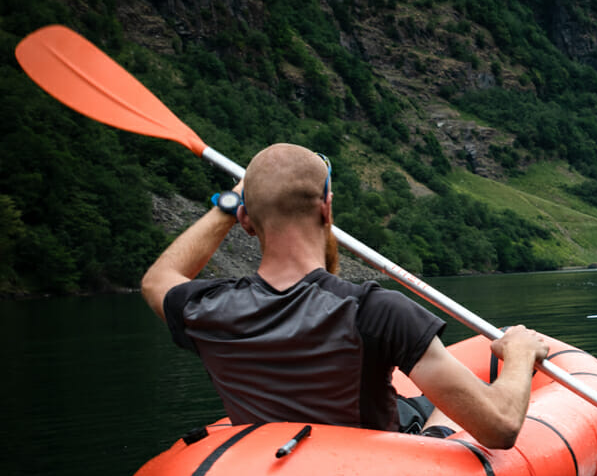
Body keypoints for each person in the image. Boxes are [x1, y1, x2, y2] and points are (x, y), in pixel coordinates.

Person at [141, 143, 549, 448]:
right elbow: (500, 428)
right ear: (327, 208)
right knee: (447, 401)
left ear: (246, 221)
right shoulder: (376, 312)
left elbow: (158, 279)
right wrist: (519, 353)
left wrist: (229, 203)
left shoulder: (208, 309)